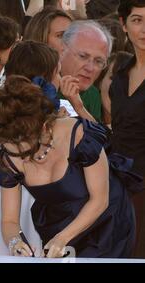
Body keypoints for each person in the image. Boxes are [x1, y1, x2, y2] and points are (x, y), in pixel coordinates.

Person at [0, 75, 141, 258]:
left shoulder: (79, 135)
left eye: (27, 146)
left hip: (106, 223)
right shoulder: (8, 157)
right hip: (57, 224)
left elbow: (100, 200)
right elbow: (9, 221)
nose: (21, 155)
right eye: (13, 145)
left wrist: (63, 238)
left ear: (46, 128)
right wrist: (14, 242)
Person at [111, 0, 145, 258]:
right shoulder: (121, 74)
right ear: (123, 24)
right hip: (119, 185)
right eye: (137, 20)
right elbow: (118, 131)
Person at [59, 20, 113, 122]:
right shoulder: (41, 86)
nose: (90, 68)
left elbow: (98, 137)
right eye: (83, 56)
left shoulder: (93, 94)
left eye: (98, 61)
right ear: (62, 51)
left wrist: (80, 109)